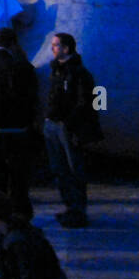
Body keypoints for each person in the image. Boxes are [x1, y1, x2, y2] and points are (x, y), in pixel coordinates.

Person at [0, 27, 38, 216]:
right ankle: (20, 213)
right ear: (13, 43)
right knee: (18, 178)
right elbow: (31, 97)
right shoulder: (21, 66)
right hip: (17, 129)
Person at [43, 33, 100, 228]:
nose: (53, 49)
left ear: (66, 48)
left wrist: (71, 123)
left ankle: (78, 209)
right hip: (52, 124)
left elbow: (87, 102)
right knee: (59, 169)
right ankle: (70, 206)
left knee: (73, 168)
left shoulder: (78, 73)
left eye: (56, 46)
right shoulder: (56, 71)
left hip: (67, 126)